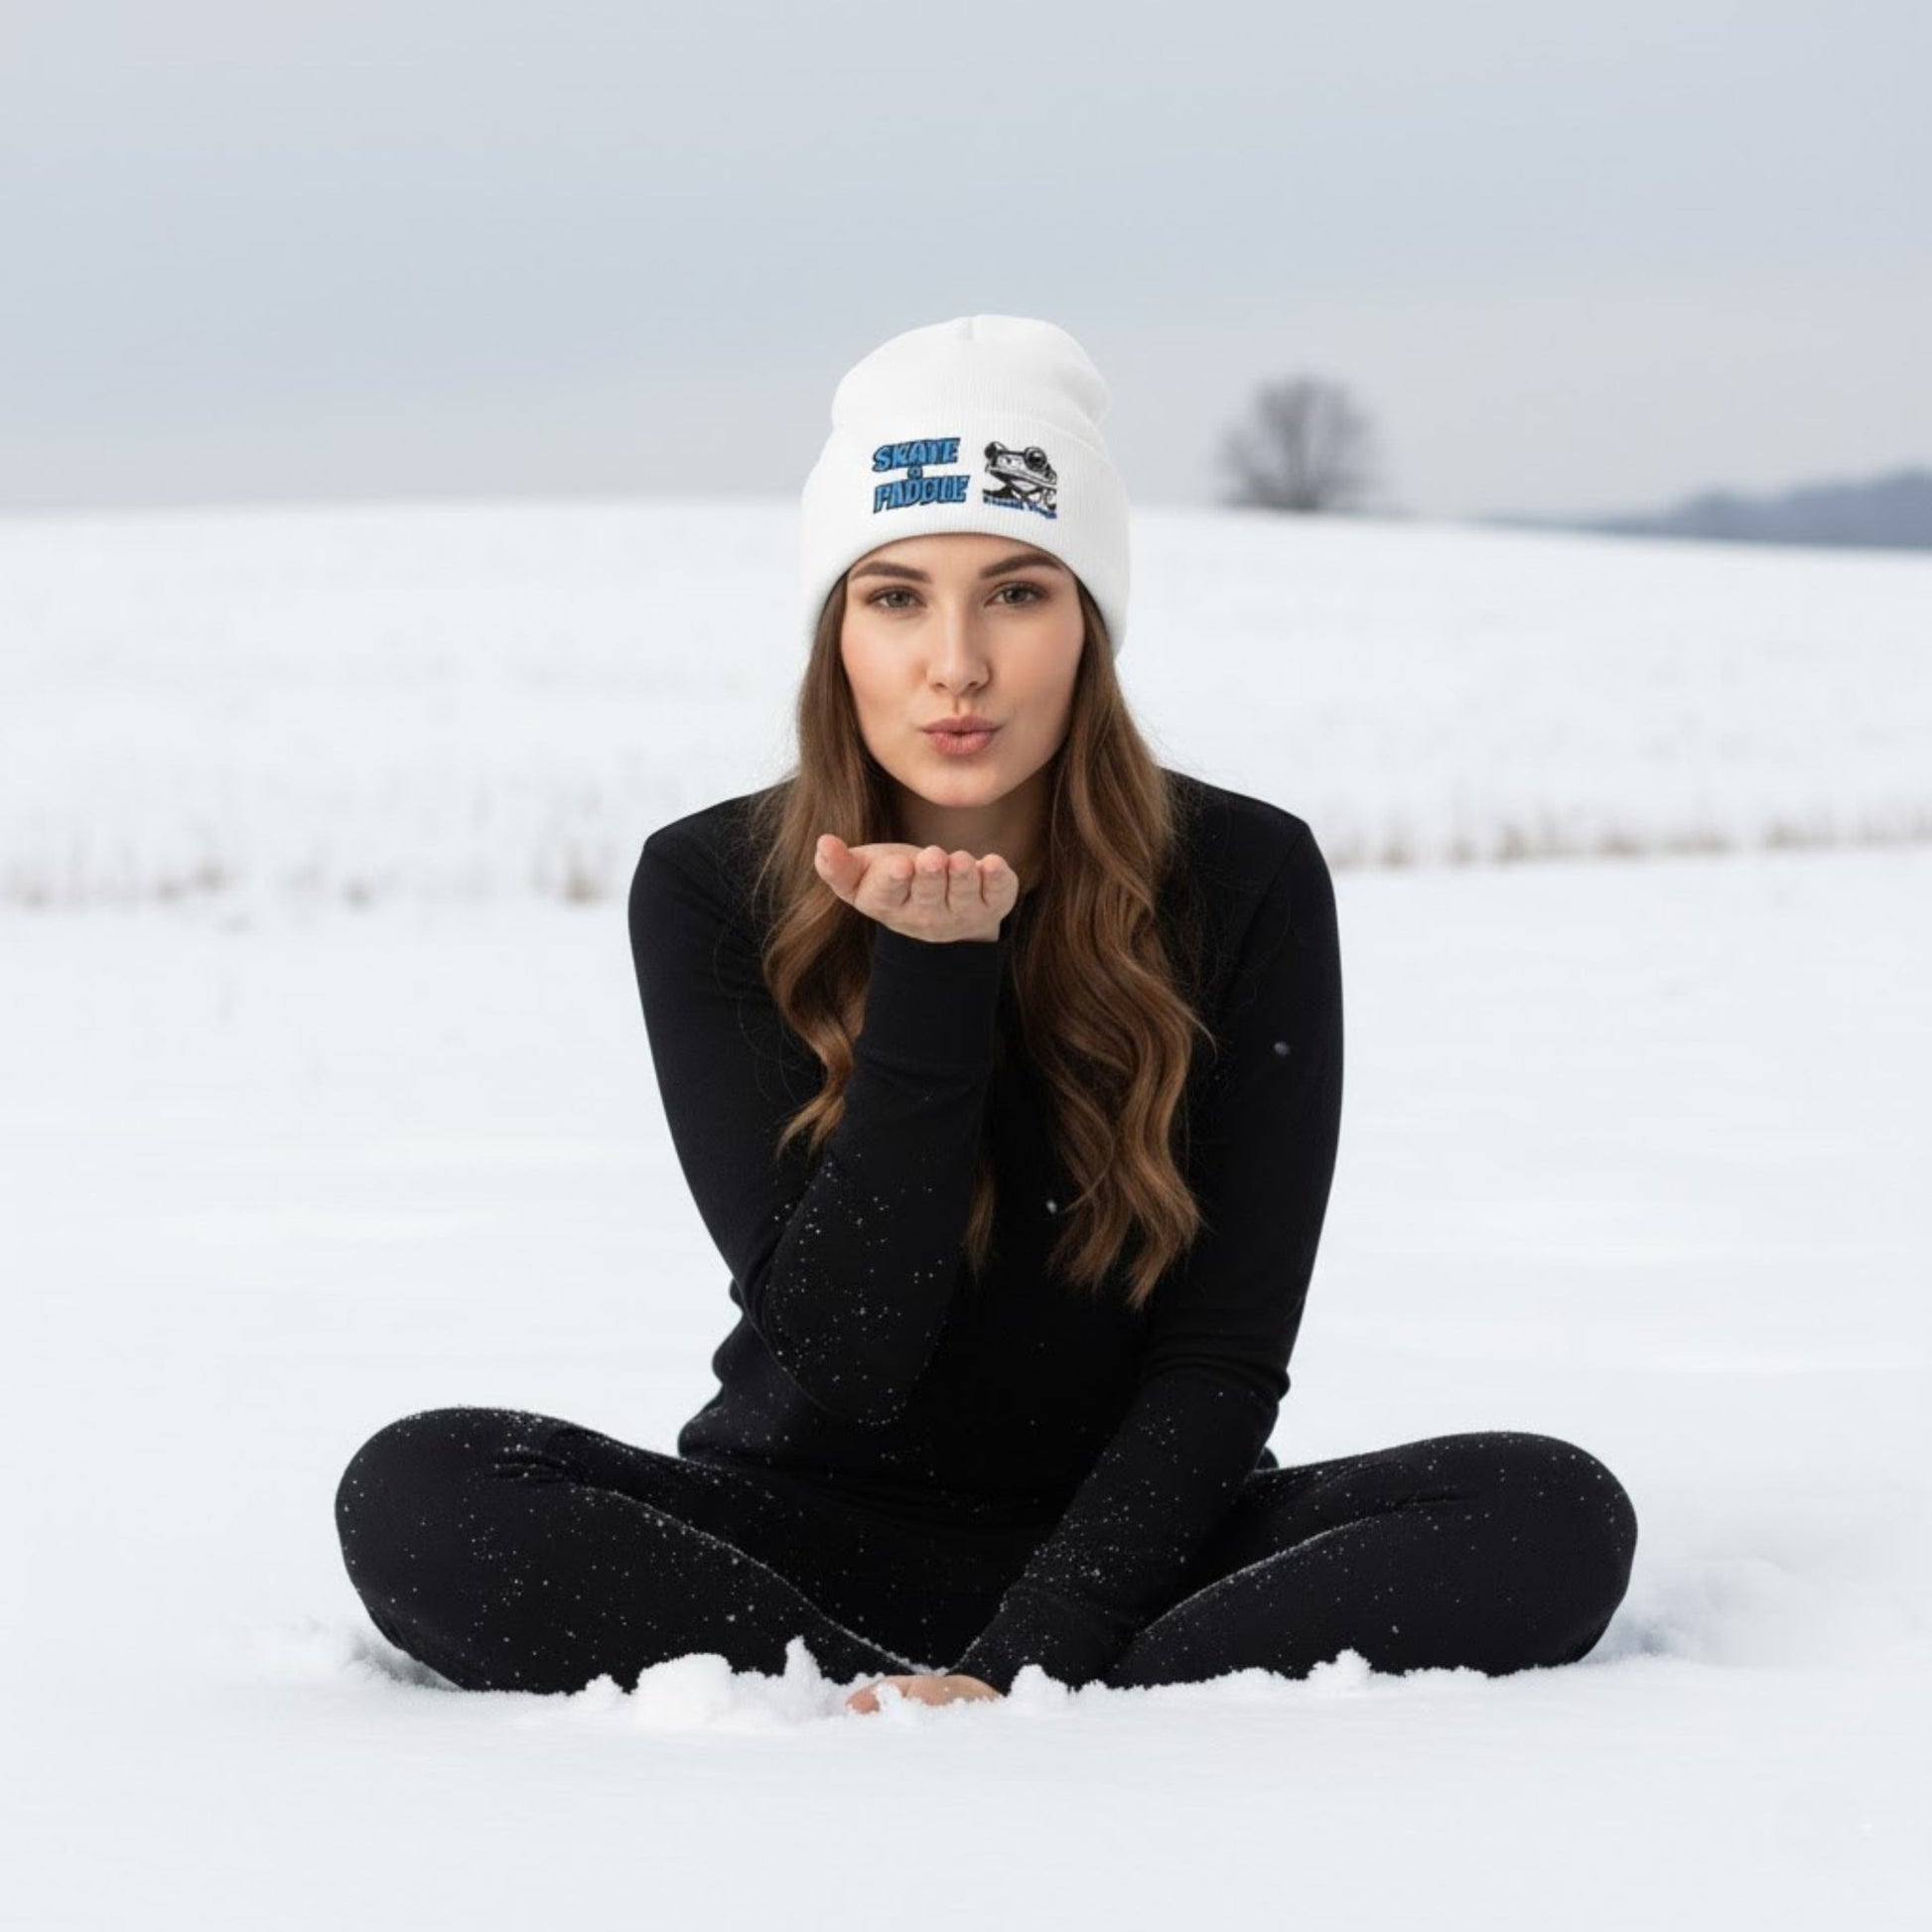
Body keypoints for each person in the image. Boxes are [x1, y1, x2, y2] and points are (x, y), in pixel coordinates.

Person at [334, 315, 1638, 1715]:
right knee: (425, 1488)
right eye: (894, 597)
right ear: (834, 631)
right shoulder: (709, 881)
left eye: (1016, 593)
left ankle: (973, 1691)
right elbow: (847, 1349)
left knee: (1548, 1509)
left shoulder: (1243, 875)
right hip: (795, 1536)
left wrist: (1036, 1652)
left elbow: (1224, 1351)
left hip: (1145, 1540)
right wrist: (931, 970)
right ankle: (922, 1683)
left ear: (1089, 624)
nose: (954, 661)